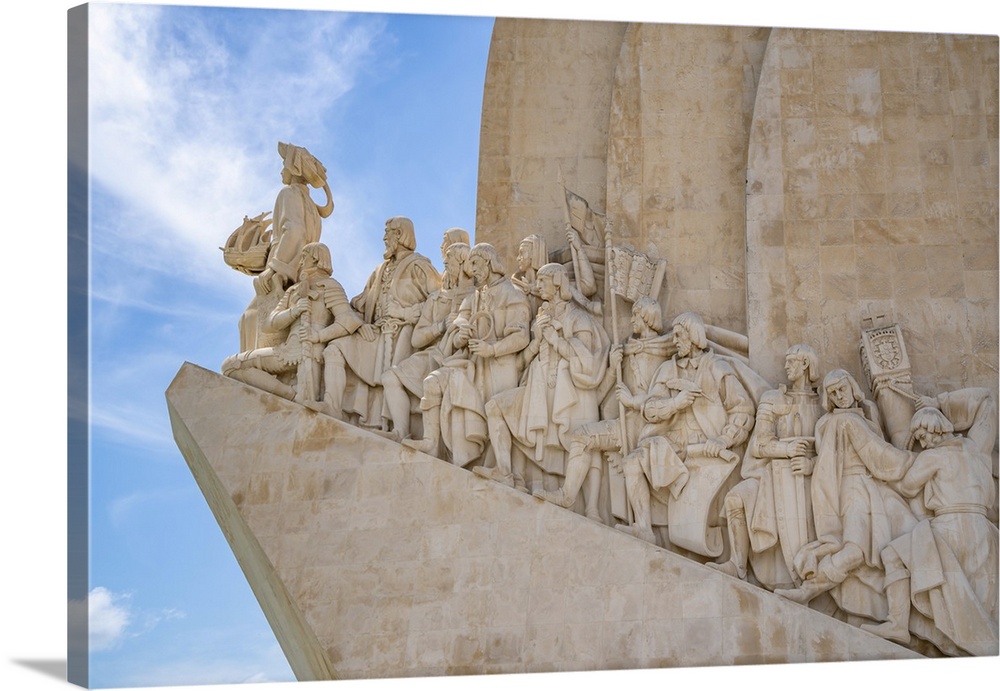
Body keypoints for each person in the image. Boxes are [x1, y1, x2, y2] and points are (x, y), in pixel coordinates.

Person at [774, 369, 918, 625]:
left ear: (852, 386)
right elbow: (876, 455)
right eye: (833, 393)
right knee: (856, 551)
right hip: (854, 489)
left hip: (874, 490)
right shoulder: (843, 420)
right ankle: (809, 589)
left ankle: (899, 620)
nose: (839, 396)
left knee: (899, 547)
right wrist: (913, 460)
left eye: (842, 389)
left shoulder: (865, 413)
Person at [860, 407, 998, 656]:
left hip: (950, 526)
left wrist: (878, 474)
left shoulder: (933, 456)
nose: (923, 443)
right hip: (983, 530)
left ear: (934, 428)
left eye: (923, 436)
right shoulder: (974, 450)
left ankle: (897, 623)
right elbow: (986, 401)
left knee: (891, 554)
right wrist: (939, 399)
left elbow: (908, 487)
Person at [615, 312, 754, 551]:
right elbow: (649, 408)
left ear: (693, 335)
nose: (674, 340)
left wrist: (723, 439)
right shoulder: (668, 369)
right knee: (631, 461)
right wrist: (675, 403)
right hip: (672, 444)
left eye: (679, 335)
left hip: (705, 446)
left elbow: (743, 410)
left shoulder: (717, 368)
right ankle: (644, 528)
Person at [534, 296, 671, 521]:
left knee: (585, 438)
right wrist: (613, 368)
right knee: (581, 437)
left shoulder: (664, 354)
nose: (631, 320)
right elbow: (603, 394)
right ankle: (567, 496)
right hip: (624, 424)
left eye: (636, 315)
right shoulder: (628, 349)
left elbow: (660, 399)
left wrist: (632, 401)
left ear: (647, 318)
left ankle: (573, 498)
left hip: (647, 427)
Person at [480, 263, 609, 491]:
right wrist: (537, 341)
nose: (537, 285)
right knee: (494, 407)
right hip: (538, 390)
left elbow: (587, 362)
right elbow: (521, 363)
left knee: (581, 445)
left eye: (543, 280)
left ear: (557, 282)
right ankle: (505, 472)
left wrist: (555, 340)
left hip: (566, 394)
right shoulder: (540, 319)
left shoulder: (579, 319)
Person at [403, 243, 531, 466]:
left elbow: (521, 336)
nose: (472, 270)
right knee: (433, 382)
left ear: (488, 262)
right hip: (470, 365)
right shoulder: (473, 298)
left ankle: (501, 470)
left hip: (499, 367)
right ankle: (431, 442)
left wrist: (492, 349)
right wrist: (460, 335)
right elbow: (459, 324)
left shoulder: (512, 294)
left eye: (475, 263)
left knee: (494, 417)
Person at [709, 344, 824, 590]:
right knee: (735, 499)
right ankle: (737, 565)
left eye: (791, 361)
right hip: (769, 477)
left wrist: (811, 464)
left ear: (805, 364)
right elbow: (759, 445)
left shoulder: (824, 404)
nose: (786, 366)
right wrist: (786, 449)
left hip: (813, 479)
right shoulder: (773, 399)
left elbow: (835, 451)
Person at [315, 217, 439, 427]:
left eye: (388, 232)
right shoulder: (379, 270)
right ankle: (332, 406)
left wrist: (405, 312)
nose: (384, 238)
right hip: (376, 333)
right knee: (334, 348)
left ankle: (397, 429)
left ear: (399, 235)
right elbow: (359, 304)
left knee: (391, 378)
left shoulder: (419, 265)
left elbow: (439, 302)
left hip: (404, 337)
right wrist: (360, 325)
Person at [223, 242, 362, 404]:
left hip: (312, 351)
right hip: (287, 350)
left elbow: (347, 321)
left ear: (316, 259)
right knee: (231, 365)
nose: (300, 262)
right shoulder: (294, 290)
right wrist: (294, 311)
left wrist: (318, 336)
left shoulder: (329, 286)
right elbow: (269, 324)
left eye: (304, 257)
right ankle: (290, 394)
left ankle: (296, 396)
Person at [381, 242, 474, 441]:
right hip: (431, 354)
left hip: (460, 357)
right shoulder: (436, 298)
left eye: (450, 257)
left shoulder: (477, 296)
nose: (445, 261)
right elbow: (417, 339)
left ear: (463, 262)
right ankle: (400, 431)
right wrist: (441, 326)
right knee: (390, 377)